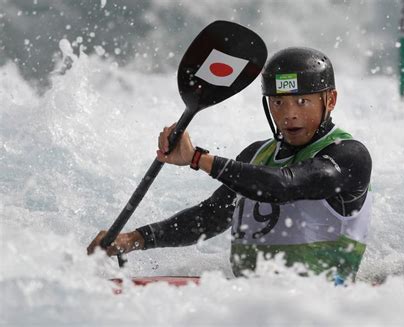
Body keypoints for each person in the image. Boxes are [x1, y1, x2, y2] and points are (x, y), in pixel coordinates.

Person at [87, 47, 373, 283]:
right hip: (245, 304)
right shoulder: (256, 155)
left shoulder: (348, 156)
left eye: (301, 101)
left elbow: (285, 185)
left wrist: (199, 159)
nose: (289, 115)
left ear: (330, 100)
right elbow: (211, 217)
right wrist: (134, 239)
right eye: (278, 102)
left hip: (321, 307)